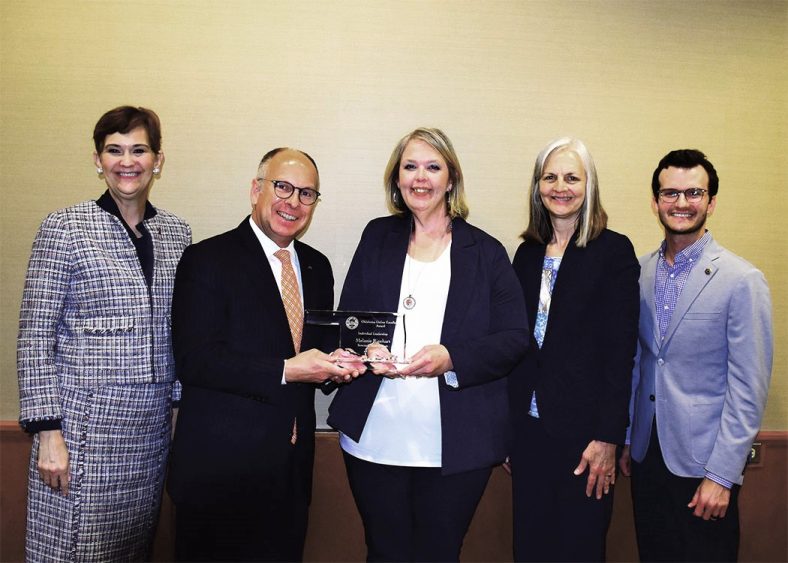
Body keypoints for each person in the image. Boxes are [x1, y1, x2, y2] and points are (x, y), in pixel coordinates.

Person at [327, 127, 529, 562]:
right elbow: (351, 319)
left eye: (433, 167)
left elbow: (514, 338)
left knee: (439, 552)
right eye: (410, 166)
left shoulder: (486, 252)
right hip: (375, 436)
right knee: (384, 550)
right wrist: (369, 349)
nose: (421, 177)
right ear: (397, 179)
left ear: (451, 178)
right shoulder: (377, 236)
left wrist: (451, 358)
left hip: (454, 441)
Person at [167, 147, 361, 562]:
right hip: (219, 476)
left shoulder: (316, 266)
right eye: (283, 187)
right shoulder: (207, 258)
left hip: (290, 474)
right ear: (256, 189)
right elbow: (196, 360)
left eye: (307, 194)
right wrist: (287, 370)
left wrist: (341, 366)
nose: (293, 202)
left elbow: (314, 355)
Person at [17, 106, 191, 562]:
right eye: (114, 150)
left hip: (150, 432)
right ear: (98, 160)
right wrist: (47, 432)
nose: (126, 161)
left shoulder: (176, 233)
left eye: (139, 149)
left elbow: (180, 330)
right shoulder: (65, 228)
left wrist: (176, 409)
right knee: (72, 550)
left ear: (158, 160)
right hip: (81, 431)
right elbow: (35, 335)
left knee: (131, 550)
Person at [618, 149, 773, 562]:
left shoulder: (742, 280)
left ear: (711, 202)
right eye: (670, 193)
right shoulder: (639, 271)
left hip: (705, 465)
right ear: (655, 202)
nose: (681, 203)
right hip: (648, 457)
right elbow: (638, 361)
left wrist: (722, 476)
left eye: (693, 193)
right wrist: (630, 437)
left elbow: (748, 389)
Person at [508, 137, 640, 562]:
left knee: (578, 547)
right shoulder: (526, 254)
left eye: (571, 177)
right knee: (530, 545)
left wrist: (607, 436)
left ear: (589, 186)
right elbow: (515, 345)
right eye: (550, 177)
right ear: (537, 186)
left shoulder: (613, 252)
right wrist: (507, 430)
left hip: (585, 438)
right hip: (528, 431)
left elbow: (621, 353)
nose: (560, 187)